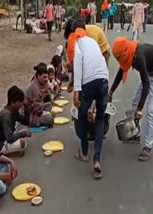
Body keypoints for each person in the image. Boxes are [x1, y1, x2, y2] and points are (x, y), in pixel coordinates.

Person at [108, 37, 153, 161]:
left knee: (151, 110)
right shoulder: (129, 54)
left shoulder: (138, 55)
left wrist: (140, 110)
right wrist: (111, 92)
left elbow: (146, 84)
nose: (119, 60)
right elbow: (121, 72)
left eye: (119, 57)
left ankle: (148, 146)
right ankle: (135, 133)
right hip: (148, 73)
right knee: (135, 100)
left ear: (124, 53)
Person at [66, 21, 109, 179]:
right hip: (103, 79)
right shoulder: (92, 41)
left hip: (89, 82)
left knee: (79, 114)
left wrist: (77, 91)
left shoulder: (77, 42)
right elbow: (101, 61)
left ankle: (84, 152)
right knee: (99, 119)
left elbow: (77, 65)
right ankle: (96, 159)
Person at [0, 86, 31, 156]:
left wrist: (26, 106)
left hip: (7, 136)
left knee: (24, 128)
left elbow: (26, 122)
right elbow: (9, 138)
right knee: (22, 143)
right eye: (20, 102)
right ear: (12, 102)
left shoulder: (14, 111)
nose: (22, 104)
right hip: (0, 144)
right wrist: (23, 133)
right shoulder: (6, 115)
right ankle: (5, 152)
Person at [25, 63, 54, 128]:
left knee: (49, 104)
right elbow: (38, 110)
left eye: (46, 77)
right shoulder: (35, 88)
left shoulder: (42, 83)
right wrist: (42, 96)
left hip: (36, 108)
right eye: (44, 77)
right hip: (30, 114)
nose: (46, 79)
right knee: (49, 119)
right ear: (38, 76)